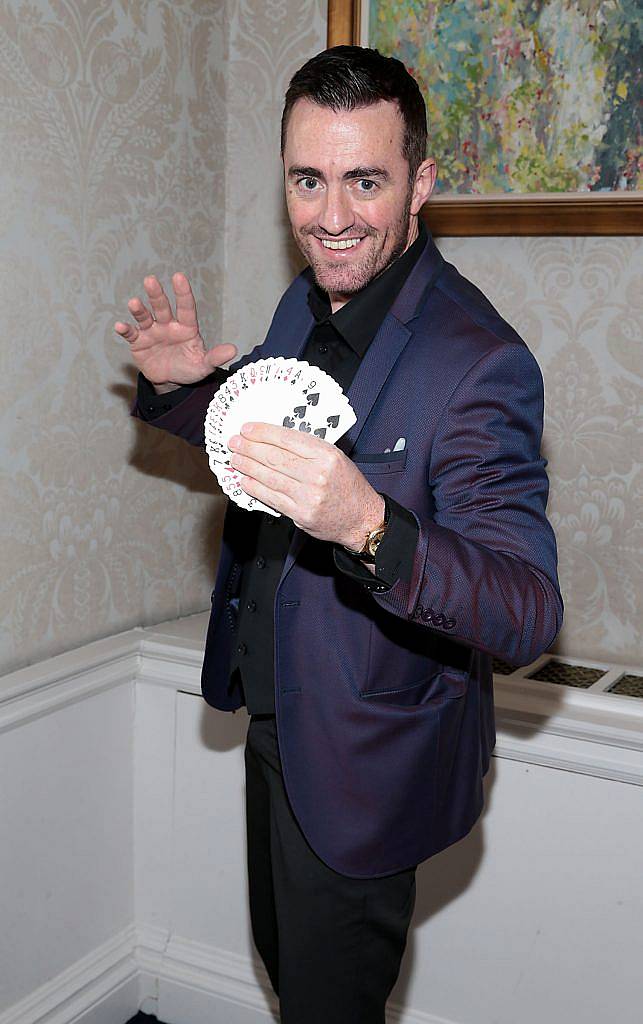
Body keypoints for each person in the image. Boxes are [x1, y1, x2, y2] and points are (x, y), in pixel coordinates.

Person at [115, 45, 563, 1024]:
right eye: (307, 180)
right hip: (274, 726)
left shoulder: (480, 361)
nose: (330, 218)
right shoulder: (303, 300)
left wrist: (368, 524)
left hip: (364, 761)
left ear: (420, 185)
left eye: (366, 181)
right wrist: (184, 387)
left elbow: (527, 608)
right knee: (292, 985)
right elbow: (271, 461)